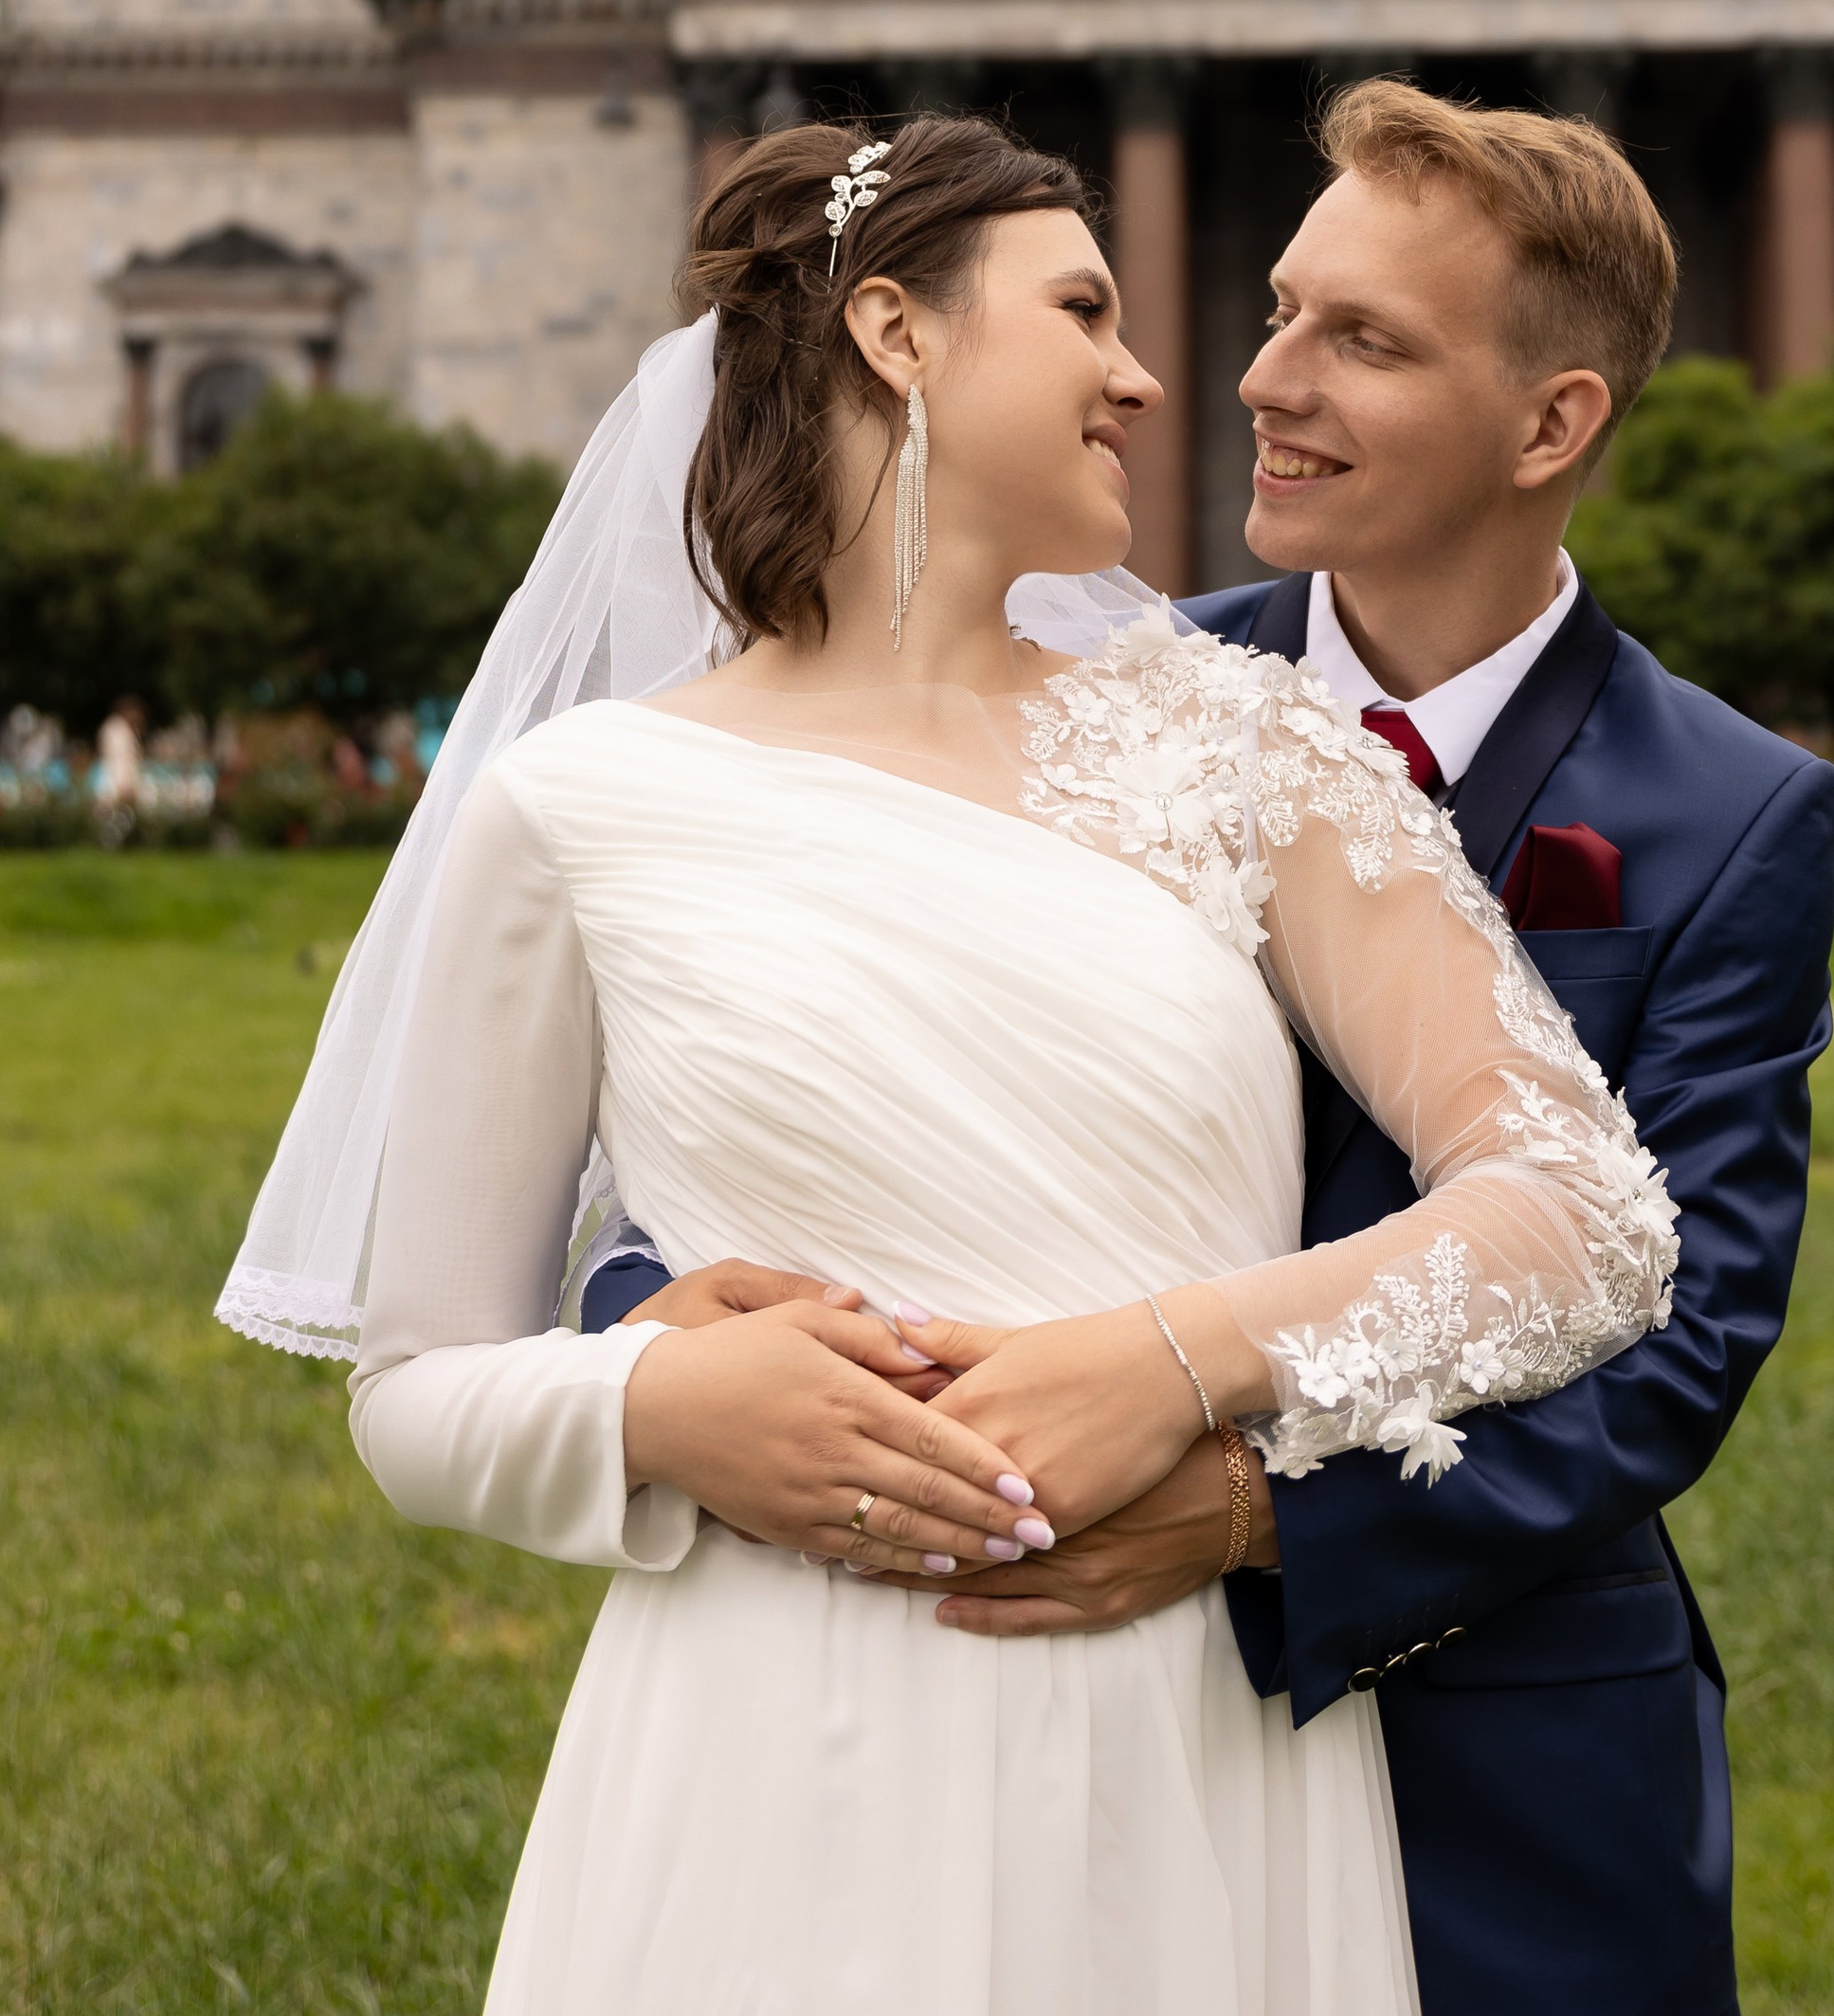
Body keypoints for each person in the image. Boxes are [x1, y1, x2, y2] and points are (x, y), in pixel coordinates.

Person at [218, 113, 1677, 2016]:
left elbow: (1580, 1214)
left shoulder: (1247, 751)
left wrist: (1171, 1365)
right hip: (760, 1736)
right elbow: (415, 1393)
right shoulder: (575, 812)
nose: (1153, 377)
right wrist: (658, 1418)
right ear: (897, 335)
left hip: (1166, 1722)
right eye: (1082, 310)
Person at [590, 84, 1834, 2016]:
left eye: (1363, 340)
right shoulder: (1096, 704)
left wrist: (1262, 1511)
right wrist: (653, 1319)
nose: (1253, 379)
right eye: (1276, 309)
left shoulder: (1728, 814)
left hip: (1511, 1724)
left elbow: (1677, 1337)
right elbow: (788, 1050)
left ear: (1550, 422)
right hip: (1047, 1682)